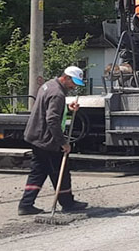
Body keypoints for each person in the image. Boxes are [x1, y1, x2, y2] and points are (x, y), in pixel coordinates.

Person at [18, 65, 90, 215]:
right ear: (66, 77)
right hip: (47, 139)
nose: (74, 86)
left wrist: (68, 108)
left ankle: (26, 204)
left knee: (38, 172)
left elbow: (50, 109)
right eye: (73, 82)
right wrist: (63, 143)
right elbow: (52, 120)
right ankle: (68, 203)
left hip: (36, 136)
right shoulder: (58, 94)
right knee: (60, 172)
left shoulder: (48, 85)